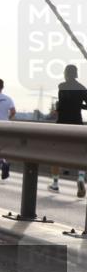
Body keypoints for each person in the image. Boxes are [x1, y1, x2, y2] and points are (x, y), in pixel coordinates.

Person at [49, 65, 86, 195]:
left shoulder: (62, 86)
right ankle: (80, 177)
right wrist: (79, 105)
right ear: (76, 74)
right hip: (77, 123)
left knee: (56, 153)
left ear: (66, 74)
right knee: (80, 153)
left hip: (62, 124)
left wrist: (58, 108)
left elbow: (61, 105)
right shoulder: (82, 88)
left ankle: (55, 183)